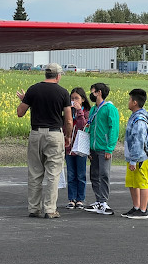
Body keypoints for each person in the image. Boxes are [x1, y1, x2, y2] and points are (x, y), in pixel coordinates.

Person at [16, 63, 73, 219]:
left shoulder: (33, 90)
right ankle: (50, 209)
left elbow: (20, 112)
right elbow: (68, 120)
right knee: (53, 173)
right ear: (58, 75)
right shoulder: (63, 93)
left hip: (36, 134)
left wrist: (26, 100)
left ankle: (34, 208)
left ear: (46, 74)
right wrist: (68, 136)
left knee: (35, 172)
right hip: (54, 134)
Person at [84, 83, 119, 215]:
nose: (90, 94)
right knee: (94, 175)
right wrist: (88, 148)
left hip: (104, 148)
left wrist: (109, 148)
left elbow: (114, 129)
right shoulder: (93, 109)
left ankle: (103, 201)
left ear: (99, 92)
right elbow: (90, 128)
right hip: (93, 148)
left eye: (92, 92)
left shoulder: (110, 109)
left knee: (104, 174)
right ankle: (98, 200)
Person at [121, 89, 148, 219]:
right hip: (133, 157)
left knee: (142, 182)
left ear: (134, 102)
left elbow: (139, 141)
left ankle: (143, 210)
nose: (128, 102)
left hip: (139, 158)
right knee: (133, 183)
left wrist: (134, 159)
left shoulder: (139, 120)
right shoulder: (135, 117)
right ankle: (136, 207)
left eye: (129, 100)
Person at [65, 87, 90, 210]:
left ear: (83, 100)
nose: (74, 101)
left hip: (81, 147)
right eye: (72, 98)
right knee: (70, 174)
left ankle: (80, 199)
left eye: (77, 98)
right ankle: (71, 198)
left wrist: (79, 112)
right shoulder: (68, 111)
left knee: (81, 174)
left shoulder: (86, 112)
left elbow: (83, 126)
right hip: (69, 147)